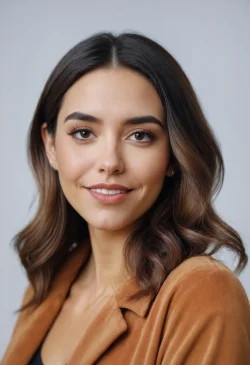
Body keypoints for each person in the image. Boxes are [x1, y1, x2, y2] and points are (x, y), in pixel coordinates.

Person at [2, 31, 250, 365]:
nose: (110, 162)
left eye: (140, 135)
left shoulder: (204, 293)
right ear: (50, 146)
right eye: (84, 133)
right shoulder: (47, 284)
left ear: (174, 155)